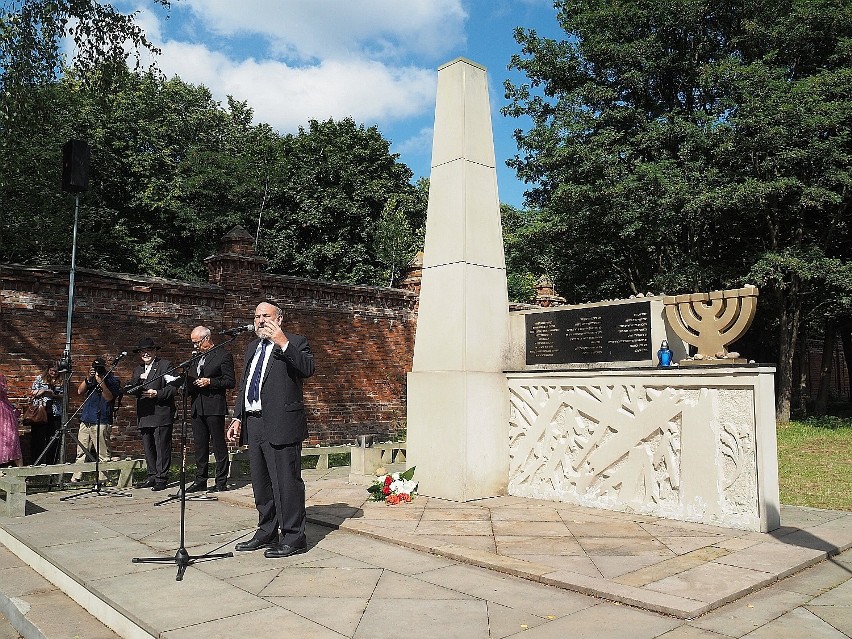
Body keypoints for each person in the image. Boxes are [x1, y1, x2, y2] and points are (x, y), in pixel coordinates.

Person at [227, 302, 315, 558]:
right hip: (254, 422)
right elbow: (245, 385)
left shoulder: (296, 342)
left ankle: (294, 536)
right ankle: (266, 531)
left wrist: (282, 342)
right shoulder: (252, 348)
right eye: (256, 316)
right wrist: (237, 417)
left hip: (282, 423)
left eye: (266, 316)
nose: (260, 320)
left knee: (286, 482)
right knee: (261, 482)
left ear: (280, 319)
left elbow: (308, 369)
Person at [186, 326, 235, 493]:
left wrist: (211, 382)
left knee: (218, 444)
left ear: (206, 339)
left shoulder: (223, 356)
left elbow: (230, 381)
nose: (195, 346)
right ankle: (200, 479)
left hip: (214, 406)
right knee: (200, 446)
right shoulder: (195, 358)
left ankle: (221, 480)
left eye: (197, 342)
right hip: (197, 406)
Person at [126, 338, 176, 491]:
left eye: (149, 350)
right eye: (142, 351)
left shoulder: (165, 365)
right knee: (148, 447)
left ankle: (162, 478)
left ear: (155, 351)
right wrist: (136, 381)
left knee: (161, 447)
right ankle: (152, 476)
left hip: (160, 413)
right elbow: (130, 388)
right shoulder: (138, 370)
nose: (146, 353)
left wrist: (158, 393)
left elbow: (173, 387)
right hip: (145, 413)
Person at [71, 357, 121, 482]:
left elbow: (109, 398)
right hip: (86, 418)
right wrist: (89, 378)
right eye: (95, 368)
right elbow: (79, 391)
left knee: (103, 453)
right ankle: (77, 477)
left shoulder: (112, 380)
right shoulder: (91, 379)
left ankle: (103, 479)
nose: (97, 370)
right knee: (81, 451)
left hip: (102, 420)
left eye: (99, 368)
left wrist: (101, 381)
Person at [29, 364, 63, 463]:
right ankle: (36, 462)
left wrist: (54, 395)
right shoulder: (40, 378)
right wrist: (43, 391)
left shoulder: (61, 381)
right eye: (52, 370)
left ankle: (50, 462)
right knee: (38, 438)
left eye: (56, 371)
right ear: (48, 370)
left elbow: (64, 395)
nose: (54, 373)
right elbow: (32, 392)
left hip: (54, 412)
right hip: (40, 411)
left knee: (53, 438)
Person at [0, 374, 23, 467]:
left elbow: (3, 392)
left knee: (12, 440)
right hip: (4, 411)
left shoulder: (1, 378)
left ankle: (22, 472)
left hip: (5, 412)